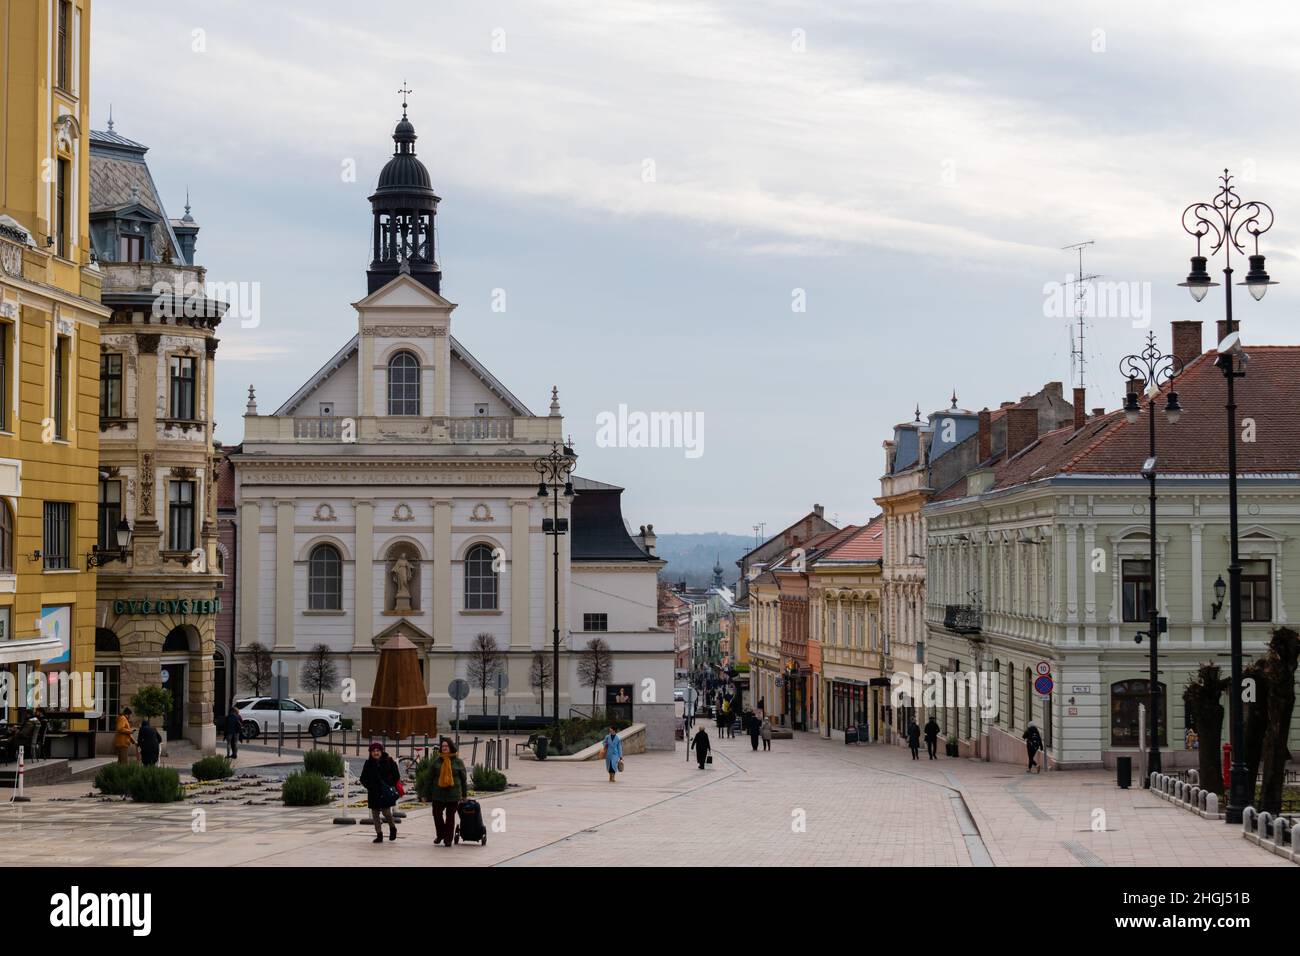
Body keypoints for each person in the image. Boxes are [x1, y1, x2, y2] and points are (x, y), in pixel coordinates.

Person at [427, 738, 467, 847]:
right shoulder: (436, 761)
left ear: (451, 747)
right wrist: (425, 794)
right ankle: (440, 835)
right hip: (438, 794)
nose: (444, 748)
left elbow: (463, 780)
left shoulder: (458, 762)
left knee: (450, 817)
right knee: (436, 815)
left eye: (446, 746)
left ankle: (448, 839)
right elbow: (429, 778)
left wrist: (464, 795)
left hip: (453, 794)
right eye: (443, 746)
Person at [359, 741, 401, 844]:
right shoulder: (368, 763)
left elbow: (396, 776)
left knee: (386, 812)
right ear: (370, 753)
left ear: (381, 751)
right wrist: (370, 787)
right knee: (375, 814)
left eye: (377, 751)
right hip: (373, 792)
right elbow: (363, 778)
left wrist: (389, 785)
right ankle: (379, 834)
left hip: (385, 792)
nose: (375, 753)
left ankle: (392, 828)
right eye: (373, 751)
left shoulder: (389, 761)